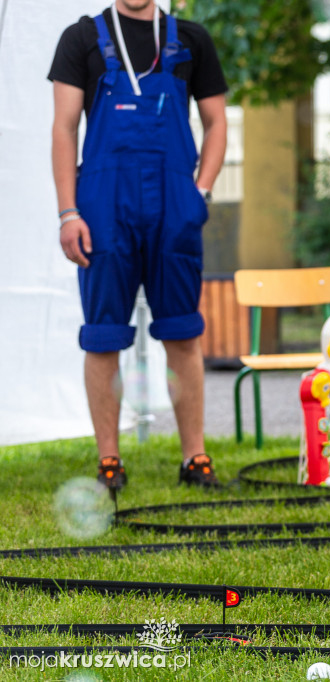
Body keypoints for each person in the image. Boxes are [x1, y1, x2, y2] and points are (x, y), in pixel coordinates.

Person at [49, 0, 228, 490]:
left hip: (174, 203)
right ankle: (110, 460)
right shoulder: (81, 38)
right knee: (104, 333)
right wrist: (69, 212)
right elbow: (64, 128)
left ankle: (195, 457)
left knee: (182, 330)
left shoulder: (191, 39)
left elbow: (216, 121)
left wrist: (201, 191)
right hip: (104, 205)